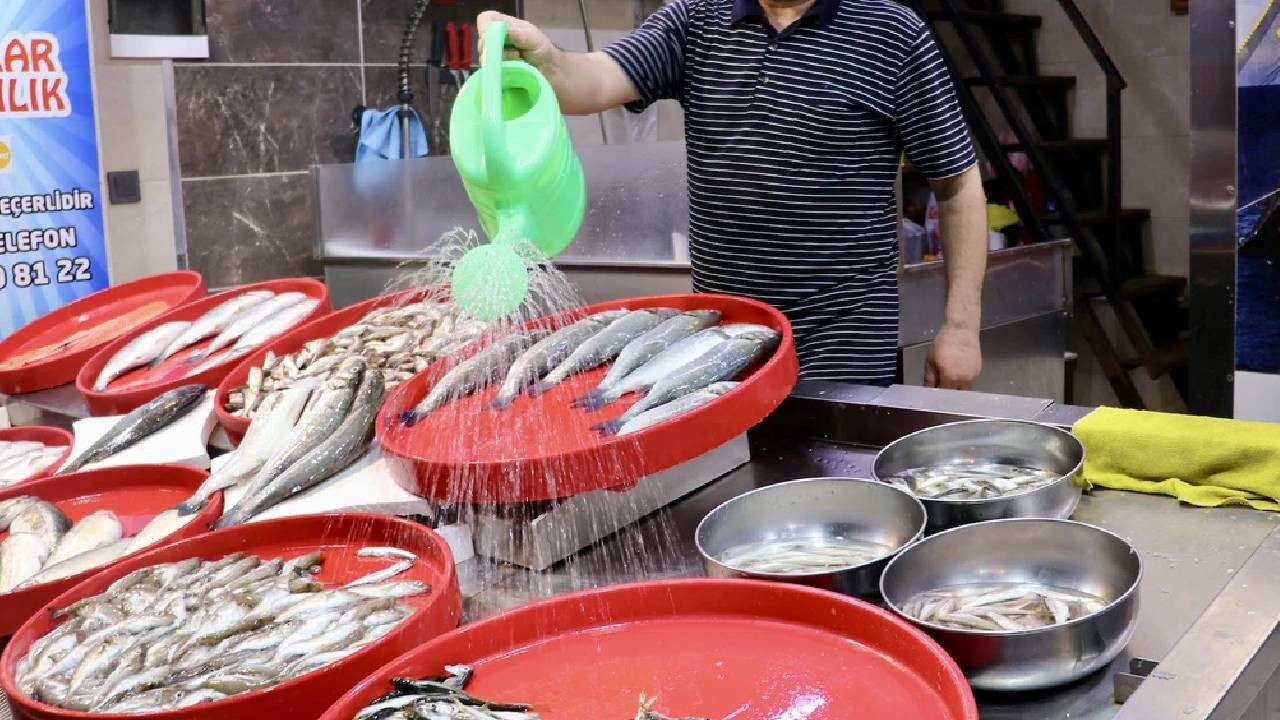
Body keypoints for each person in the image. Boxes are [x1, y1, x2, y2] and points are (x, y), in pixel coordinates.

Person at [478, 0, 987, 388]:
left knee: (835, 498)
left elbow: (957, 183)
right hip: (718, 333)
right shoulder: (696, 19)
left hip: (843, 338)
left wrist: (961, 328)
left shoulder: (891, 31)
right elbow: (589, 83)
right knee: (730, 493)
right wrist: (543, 59)